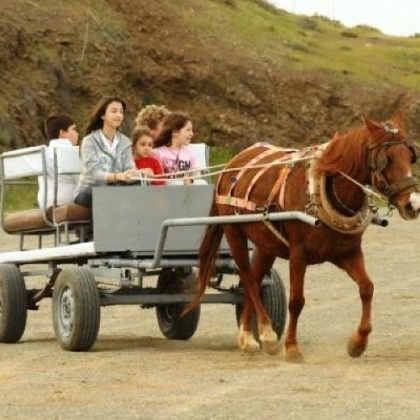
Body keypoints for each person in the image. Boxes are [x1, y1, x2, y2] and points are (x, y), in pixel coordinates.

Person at [73, 96, 138, 208]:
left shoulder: (125, 142)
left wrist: (140, 174)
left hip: (115, 189)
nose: (119, 115)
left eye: (121, 112)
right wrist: (117, 176)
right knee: (103, 194)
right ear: (103, 115)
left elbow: (129, 168)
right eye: (114, 111)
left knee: (140, 186)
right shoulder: (90, 141)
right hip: (90, 189)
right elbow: (95, 173)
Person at [37, 114, 79, 210]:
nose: (77, 133)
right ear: (62, 133)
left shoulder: (43, 153)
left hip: (44, 204)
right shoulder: (71, 152)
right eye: (74, 129)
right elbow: (83, 183)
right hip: (67, 202)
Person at [153, 112, 207, 185]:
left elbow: (197, 177)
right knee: (176, 184)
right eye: (188, 130)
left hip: (187, 191)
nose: (191, 133)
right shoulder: (157, 153)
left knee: (203, 183)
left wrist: (190, 181)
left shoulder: (189, 153)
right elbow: (156, 180)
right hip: (166, 191)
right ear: (175, 132)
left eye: (191, 130)